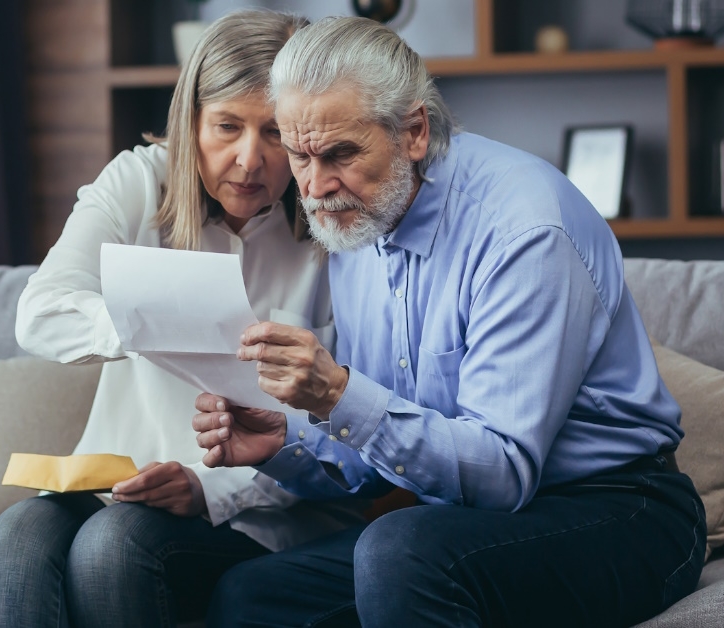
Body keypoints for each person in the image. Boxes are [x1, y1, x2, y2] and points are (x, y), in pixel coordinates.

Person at [190, 16, 707, 628]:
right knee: (251, 595)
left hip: (621, 510)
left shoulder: (524, 230)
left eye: (341, 154)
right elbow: (377, 453)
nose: (316, 185)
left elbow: (503, 472)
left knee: (399, 551)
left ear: (413, 130)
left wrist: (338, 393)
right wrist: (284, 443)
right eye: (298, 153)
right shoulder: (356, 223)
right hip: (461, 520)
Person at [0, 10, 370, 628]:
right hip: (115, 484)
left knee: (114, 547)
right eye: (226, 126)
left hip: (263, 512)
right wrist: (148, 321)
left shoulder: (335, 229)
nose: (248, 159)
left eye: (274, 133)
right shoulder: (138, 182)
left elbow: (348, 427)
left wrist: (205, 488)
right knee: (17, 538)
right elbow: (41, 313)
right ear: (190, 124)